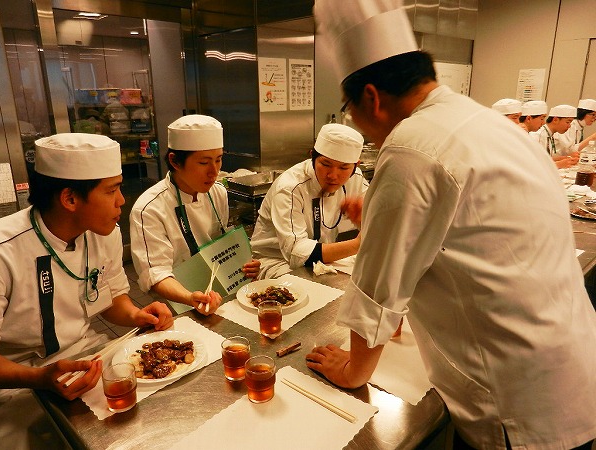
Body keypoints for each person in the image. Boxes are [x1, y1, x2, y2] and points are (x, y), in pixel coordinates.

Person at [308, 1, 596, 449]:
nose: (356, 124)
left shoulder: (410, 146)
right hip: (569, 367)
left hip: (514, 405)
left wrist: (353, 370)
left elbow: (377, 291)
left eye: (348, 109)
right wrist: (391, 222)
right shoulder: (485, 122)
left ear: (371, 98)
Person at [0, 133, 173, 449]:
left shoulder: (104, 234)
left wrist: (137, 315)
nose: (121, 201)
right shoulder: (2, 251)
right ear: (70, 199)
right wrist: (40, 378)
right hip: (18, 383)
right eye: (111, 190)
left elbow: (112, 298)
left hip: (90, 358)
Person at [130, 115, 260, 313]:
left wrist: (244, 263)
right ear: (175, 161)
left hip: (218, 295)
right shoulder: (149, 208)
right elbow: (155, 273)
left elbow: (221, 244)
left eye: (218, 160)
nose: (214, 171)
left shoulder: (218, 192)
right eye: (203, 162)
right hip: (174, 305)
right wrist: (190, 298)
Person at [250, 123, 368, 279]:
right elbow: (297, 252)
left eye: (344, 168)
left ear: (356, 166)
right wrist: (357, 244)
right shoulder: (290, 187)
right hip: (278, 262)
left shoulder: (356, 178)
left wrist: (363, 219)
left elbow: (376, 219)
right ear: (312, 157)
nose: (333, 175)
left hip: (323, 259)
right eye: (325, 164)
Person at [529, 104, 579, 169]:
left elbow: (546, 159)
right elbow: (534, 164)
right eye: (567, 122)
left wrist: (566, 158)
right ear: (555, 120)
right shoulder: (537, 135)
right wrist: (559, 164)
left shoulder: (550, 134)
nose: (569, 126)